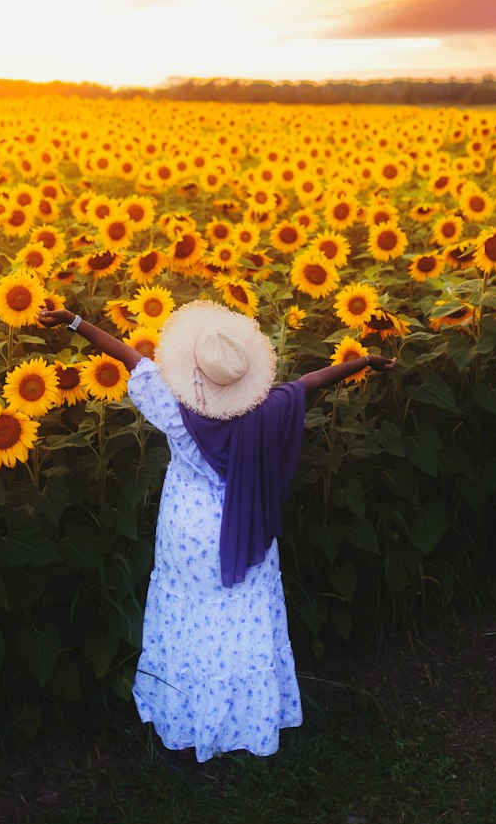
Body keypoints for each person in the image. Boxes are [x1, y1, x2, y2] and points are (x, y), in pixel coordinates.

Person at [37, 296, 398, 764]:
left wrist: (74, 321)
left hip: (187, 528)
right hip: (243, 525)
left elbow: (128, 355)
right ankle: (247, 718)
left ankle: (189, 716)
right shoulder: (267, 411)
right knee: (241, 618)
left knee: (189, 619)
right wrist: (365, 360)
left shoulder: (172, 406)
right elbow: (309, 383)